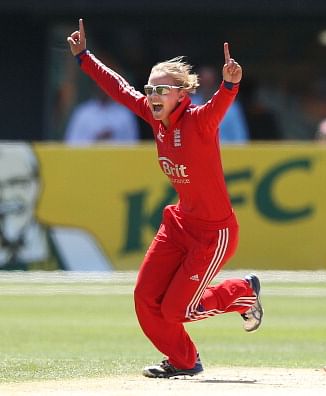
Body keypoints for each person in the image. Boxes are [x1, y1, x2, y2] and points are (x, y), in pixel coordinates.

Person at [67, 19, 263, 378]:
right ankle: (184, 361)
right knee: (145, 300)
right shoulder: (154, 118)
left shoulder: (200, 120)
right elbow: (120, 88)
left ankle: (242, 292)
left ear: (181, 94)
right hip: (179, 225)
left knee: (177, 310)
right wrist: (84, 57)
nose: (152, 95)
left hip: (212, 233)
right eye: (150, 88)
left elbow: (220, 105)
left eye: (161, 89)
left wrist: (230, 83)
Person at [0, 143, 111, 271]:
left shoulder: (72, 244)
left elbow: (99, 284)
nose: (6, 195)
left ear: (37, 185)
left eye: (17, 183)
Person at [191, 66, 249, 143]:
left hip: (225, 151)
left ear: (216, 82)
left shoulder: (232, 108)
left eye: (209, 82)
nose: (206, 86)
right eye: (203, 82)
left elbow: (240, 138)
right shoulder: (190, 104)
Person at [64, 86, 140, 145]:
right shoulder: (82, 113)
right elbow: (70, 144)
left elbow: (134, 144)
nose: (102, 87)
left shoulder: (125, 114)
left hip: (118, 163)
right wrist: (95, 140)